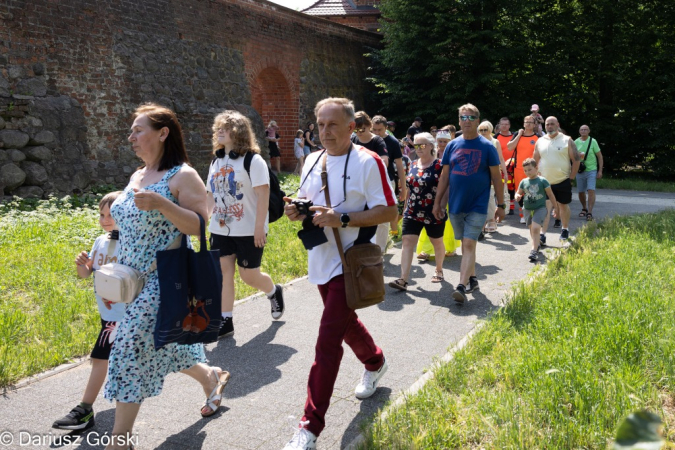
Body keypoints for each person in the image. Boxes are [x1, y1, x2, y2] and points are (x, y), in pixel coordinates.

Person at [104, 103, 229, 450]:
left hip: (163, 280)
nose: (131, 136)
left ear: (163, 133)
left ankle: (119, 441)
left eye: (138, 129)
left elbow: (202, 225)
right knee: (167, 343)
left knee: (128, 347)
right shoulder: (138, 174)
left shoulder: (182, 175)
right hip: (131, 282)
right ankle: (212, 376)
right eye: (131, 130)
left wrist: (163, 205)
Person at [283, 97, 397, 450]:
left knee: (327, 339)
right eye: (320, 124)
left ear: (351, 127)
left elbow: (389, 211)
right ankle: (375, 361)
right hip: (321, 256)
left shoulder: (369, 161)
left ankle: (309, 426)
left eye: (333, 124)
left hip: (353, 259)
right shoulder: (311, 160)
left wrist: (342, 218)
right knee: (344, 324)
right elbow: (309, 203)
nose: (325, 131)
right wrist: (297, 211)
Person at [206, 110, 285, 339]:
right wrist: (203, 220)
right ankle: (226, 320)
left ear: (238, 132)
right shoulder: (216, 160)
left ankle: (273, 291)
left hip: (249, 228)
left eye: (226, 127)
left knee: (249, 276)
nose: (220, 131)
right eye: (218, 127)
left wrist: (259, 227)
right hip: (220, 228)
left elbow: (263, 194)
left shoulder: (253, 160)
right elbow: (210, 193)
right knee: (223, 274)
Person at [52, 192, 125, 432]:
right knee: (174, 356)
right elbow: (86, 274)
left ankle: (84, 410)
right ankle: (210, 377)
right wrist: (81, 265)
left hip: (125, 317)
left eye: (111, 215)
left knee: (99, 358)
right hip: (108, 314)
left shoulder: (132, 243)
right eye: (101, 215)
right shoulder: (100, 241)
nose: (105, 220)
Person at [433, 103, 505, 304]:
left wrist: (501, 205)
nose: (467, 121)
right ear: (458, 121)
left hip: (478, 204)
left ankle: (461, 286)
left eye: (471, 117)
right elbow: (444, 176)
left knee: (469, 243)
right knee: (466, 246)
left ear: (478, 120)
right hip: (455, 205)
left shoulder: (487, 147)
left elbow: (496, 179)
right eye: (463, 117)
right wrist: (437, 202)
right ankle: (472, 278)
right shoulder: (452, 145)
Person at [389, 132, 447, 290]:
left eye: (422, 145)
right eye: (416, 145)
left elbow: (446, 188)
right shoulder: (413, 164)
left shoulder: (440, 165)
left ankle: (439, 269)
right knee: (407, 243)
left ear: (431, 146)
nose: (419, 148)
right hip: (413, 210)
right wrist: (405, 206)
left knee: (437, 242)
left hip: (433, 210)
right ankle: (403, 279)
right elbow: (409, 188)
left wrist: (441, 206)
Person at [415, 127, 461, 260]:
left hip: (449, 192)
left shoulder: (455, 155)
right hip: (431, 193)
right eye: (439, 141)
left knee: (447, 223)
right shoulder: (431, 155)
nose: (442, 144)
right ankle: (426, 249)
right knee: (428, 221)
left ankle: (449, 247)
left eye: (445, 141)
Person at [534, 116, 580, 244]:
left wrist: (571, 177)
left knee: (563, 205)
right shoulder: (540, 141)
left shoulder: (567, 140)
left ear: (558, 125)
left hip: (563, 180)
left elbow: (576, 160)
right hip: (544, 181)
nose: (549, 126)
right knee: (546, 208)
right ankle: (543, 234)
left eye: (552, 124)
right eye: (547, 124)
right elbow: (535, 160)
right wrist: (534, 177)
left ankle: (565, 229)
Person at [351, 111, 389, 252]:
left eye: (362, 129)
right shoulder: (354, 139)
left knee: (381, 219)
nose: (359, 133)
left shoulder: (377, 141)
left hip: (375, 183)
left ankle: (380, 250)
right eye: (356, 130)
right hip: (357, 183)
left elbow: (384, 161)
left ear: (369, 126)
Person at [515, 158, 558, 261]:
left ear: (536, 168)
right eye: (525, 170)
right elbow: (518, 192)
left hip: (540, 208)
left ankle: (533, 250)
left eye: (529, 169)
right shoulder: (524, 181)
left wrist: (556, 208)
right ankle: (537, 244)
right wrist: (517, 196)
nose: (527, 172)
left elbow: (550, 195)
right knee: (531, 229)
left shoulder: (542, 180)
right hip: (527, 209)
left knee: (535, 228)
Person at [371, 115, 406, 239]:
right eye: (374, 130)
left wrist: (404, 188)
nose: (376, 133)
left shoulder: (392, 142)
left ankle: (383, 244)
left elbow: (400, 166)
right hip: (369, 181)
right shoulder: (367, 140)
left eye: (379, 130)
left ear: (386, 128)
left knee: (385, 212)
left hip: (388, 180)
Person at [507, 115, 540, 224]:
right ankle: (522, 215)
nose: (528, 124)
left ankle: (532, 214)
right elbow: (510, 147)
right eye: (526, 122)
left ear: (534, 124)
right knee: (520, 192)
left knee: (533, 191)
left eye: (530, 122)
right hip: (519, 169)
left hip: (534, 170)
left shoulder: (538, 137)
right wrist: (519, 134)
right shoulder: (518, 135)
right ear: (523, 123)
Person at [478, 121, 508, 236]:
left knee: (490, 196)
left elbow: (501, 158)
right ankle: (485, 221)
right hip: (481, 173)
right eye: (481, 130)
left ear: (490, 130)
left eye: (485, 130)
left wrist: (505, 173)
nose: (483, 132)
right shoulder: (478, 142)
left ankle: (491, 220)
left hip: (493, 173)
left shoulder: (495, 142)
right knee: (484, 197)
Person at [575, 124, 604, 221]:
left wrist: (600, 170)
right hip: (580, 170)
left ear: (589, 131)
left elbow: (599, 156)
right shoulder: (576, 142)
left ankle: (590, 212)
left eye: (585, 129)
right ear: (579, 131)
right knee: (580, 192)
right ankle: (584, 208)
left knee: (591, 190)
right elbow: (572, 156)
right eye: (581, 129)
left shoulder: (593, 141)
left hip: (591, 170)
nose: (583, 131)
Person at [494, 117, 517, 215]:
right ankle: (501, 205)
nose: (504, 126)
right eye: (502, 124)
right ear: (499, 125)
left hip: (513, 166)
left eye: (506, 124)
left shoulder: (514, 137)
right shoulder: (495, 137)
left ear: (509, 125)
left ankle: (511, 206)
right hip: (499, 166)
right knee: (500, 187)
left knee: (512, 186)